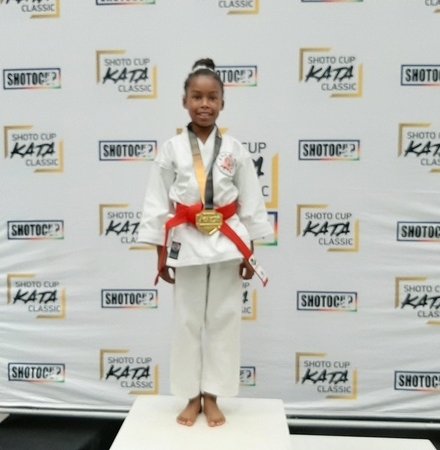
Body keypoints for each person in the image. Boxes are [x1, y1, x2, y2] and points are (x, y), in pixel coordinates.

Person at [137, 58, 273, 427]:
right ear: (184, 101)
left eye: (212, 97)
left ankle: (212, 395)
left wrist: (250, 252)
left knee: (224, 319)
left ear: (222, 104)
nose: (204, 104)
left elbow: (251, 201)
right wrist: (160, 255)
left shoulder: (235, 150)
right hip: (186, 240)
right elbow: (156, 203)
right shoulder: (171, 149)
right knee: (187, 321)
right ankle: (190, 395)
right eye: (196, 97)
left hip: (227, 242)